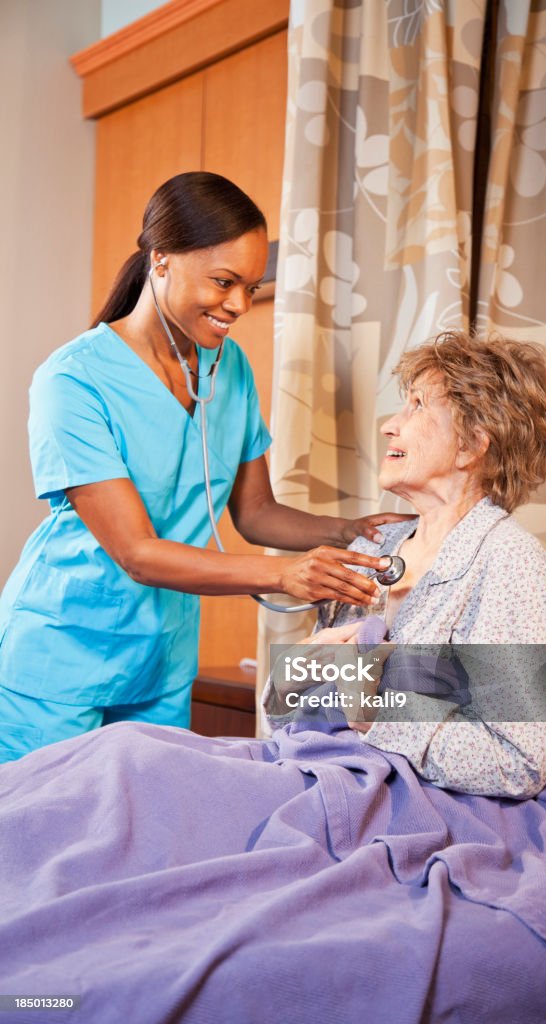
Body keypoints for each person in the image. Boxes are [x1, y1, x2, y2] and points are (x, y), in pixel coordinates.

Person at [0, 172, 408, 763]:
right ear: (160, 260)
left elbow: (256, 512)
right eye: (224, 282)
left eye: (250, 285)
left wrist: (348, 531)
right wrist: (283, 575)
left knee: (146, 830)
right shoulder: (73, 379)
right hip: (61, 652)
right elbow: (137, 553)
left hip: (161, 657)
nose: (239, 305)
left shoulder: (229, 367)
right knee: (45, 835)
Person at [263, 331, 546, 798]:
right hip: (315, 776)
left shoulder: (507, 561)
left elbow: (519, 763)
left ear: (472, 445)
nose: (389, 425)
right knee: (129, 754)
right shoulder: (376, 547)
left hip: (406, 805)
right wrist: (293, 674)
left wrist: (372, 713)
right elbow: (287, 716)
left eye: (418, 406)